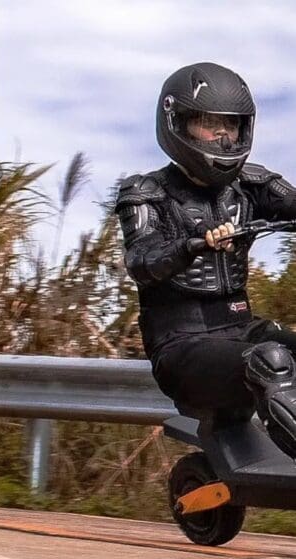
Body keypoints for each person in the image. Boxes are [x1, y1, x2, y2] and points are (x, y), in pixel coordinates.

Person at [116, 61, 296, 460]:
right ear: (177, 123)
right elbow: (141, 261)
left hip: (240, 329)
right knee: (271, 360)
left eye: (230, 125)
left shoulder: (252, 184)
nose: (222, 135)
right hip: (181, 345)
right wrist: (191, 245)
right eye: (208, 123)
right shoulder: (145, 192)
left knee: (279, 350)